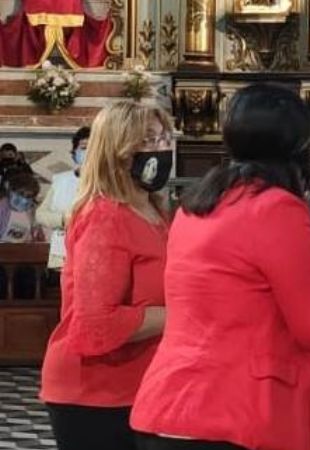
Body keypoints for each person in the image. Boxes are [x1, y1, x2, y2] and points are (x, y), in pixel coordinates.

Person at [130, 84, 310, 450]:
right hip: (234, 416)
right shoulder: (276, 209)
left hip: (168, 408)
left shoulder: (196, 205)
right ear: (297, 146)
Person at [39, 101, 175, 450]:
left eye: (163, 139)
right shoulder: (104, 217)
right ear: (117, 150)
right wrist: (183, 316)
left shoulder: (155, 210)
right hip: (95, 392)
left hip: (143, 384)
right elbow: (96, 323)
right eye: (147, 141)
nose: (160, 149)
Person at [36, 126, 89, 232]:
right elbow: (40, 214)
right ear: (74, 152)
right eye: (83, 148)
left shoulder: (107, 183)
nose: (88, 153)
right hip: (61, 243)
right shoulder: (60, 180)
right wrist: (63, 219)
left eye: (93, 149)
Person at [0, 170, 41, 243]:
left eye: (29, 197)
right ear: (8, 188)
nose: (24, 201)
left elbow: (35, 234)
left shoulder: (32, 210)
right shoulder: (2, 209)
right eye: (19, 195)